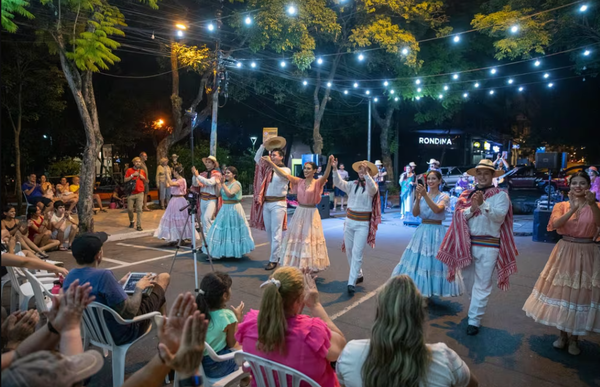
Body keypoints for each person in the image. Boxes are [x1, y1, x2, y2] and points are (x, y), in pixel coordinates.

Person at [336, 275, 478, 387]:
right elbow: (472, 384)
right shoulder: (444, 359)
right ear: (419, 316)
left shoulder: (350, 354)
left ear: (380, 314)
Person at [437, 159, 518, 336]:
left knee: (482, 284)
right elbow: (458, 217)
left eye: (486, 173)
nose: (482, 176)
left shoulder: (501, 195)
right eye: (479, 173)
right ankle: (476, 310)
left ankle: (474, 320)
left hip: (489, 245)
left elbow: (498, 218)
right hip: (466, 244)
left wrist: (482, 204)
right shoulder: (466, 194)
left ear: (492, 176)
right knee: (469, 281)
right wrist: (473, 208)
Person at [523, 172, 600, 356]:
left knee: (580, 295)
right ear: (569, 185)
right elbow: (556, 225)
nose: (578, 186)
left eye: (582, 183)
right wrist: (573, 209)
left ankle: (575, 339)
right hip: (565, 250)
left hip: (588, 251)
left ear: (589, 186)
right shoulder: (561, 205)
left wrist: (590, 204)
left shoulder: (596, 206)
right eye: (574, 183)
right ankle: (562, 335)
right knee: (563, 293)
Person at [236, 267, 346, 387]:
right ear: (299, 299)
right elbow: (340, 350)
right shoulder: (312, 333)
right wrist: (315, 305)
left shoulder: (251, 324)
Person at [62, 232, 171, 345]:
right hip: (123, 333)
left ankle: (165, 328)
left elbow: (98, 295)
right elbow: (130, 313)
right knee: (163, 278)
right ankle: (165, 332)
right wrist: (138, 288)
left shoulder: (70, 276)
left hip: (94, 330)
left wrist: (118, 284)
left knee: (156, 293)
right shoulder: (104, 276)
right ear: (98, 255)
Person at [392, 171, 464, 301]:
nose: (430, 181)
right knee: (420, 262)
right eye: (429, 179)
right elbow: (415, 214)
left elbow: (437, 209)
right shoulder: (423, 195)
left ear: (439, 181)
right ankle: (420, 292)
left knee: (434, 263)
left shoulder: (444, 196)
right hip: (422, 229)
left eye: (434, 179)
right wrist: (419, 198)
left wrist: (425, 196)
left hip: (437, 231)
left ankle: (430, 291)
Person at [262, 156, 333, 272]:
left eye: (309, 168)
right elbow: (284, 175)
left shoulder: (317, 183)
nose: (306, 170)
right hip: (300, 212)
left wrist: (329, 164)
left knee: (309, 239)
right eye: (305, 168)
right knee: (297, 238)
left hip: (311, 213)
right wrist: (271, 163)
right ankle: (297, 264)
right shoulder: (299, 181)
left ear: (314, 171)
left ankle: (309, 265)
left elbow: (326, 175)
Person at [332, 158, 380, 294]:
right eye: (360, 168)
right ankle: (358, 274)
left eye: (364, 168)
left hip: (362, 224)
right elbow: (338, 182)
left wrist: (367, 175)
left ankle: (351, 282)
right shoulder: (352, 184)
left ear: (369, 172)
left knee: (357, 252)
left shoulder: (371, 185)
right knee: (349, 250)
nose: (361, 170)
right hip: (349, 221)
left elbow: (373, 189)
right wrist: (335, 169)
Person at [250, 137, 290, 271]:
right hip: (267, 203)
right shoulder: (268, 169)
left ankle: (273, 259)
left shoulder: (286, 170)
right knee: (269, 232)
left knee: (276, 232)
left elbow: (283, 176)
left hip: (278, 203)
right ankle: (276, 255)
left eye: (274, 155)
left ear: (281, 158)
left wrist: (271, 164)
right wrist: (263, 145)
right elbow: (256, 159)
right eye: (271, 155)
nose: (271, 157)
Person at [195, 272, 244, 379]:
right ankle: (245, 379)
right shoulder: (227, 317)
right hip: (216, 366)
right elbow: (232, 343)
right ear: (225, 295)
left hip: (195, 365)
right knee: (248, 352)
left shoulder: (193, 311)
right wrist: (238, 319)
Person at [206, 166, 255, 259]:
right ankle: (220, 252)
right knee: (221, 229)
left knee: (233, 229)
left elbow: (230, 194)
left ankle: (234, 251)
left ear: (234, 175)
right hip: (225, 208)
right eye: (225, 173)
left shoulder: (237, 184)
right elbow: (217, 194)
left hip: (234, 208)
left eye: (228, 173)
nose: (226, 174)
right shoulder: (226, 184)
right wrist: (217, 185)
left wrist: (222, 184)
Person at [154, 166, 199, 244]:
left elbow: (171, 183)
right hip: (173, 200)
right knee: (172, 218)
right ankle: (174, 237)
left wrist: (167, 174)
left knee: (180, 219)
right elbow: (167, 185)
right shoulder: (174, 179)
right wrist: (164, 177)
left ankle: (181, 238)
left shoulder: (182, 180)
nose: (173, 173)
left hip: (180, 200)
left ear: (177, 172)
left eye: (174, 171)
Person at [192, 156, 223, 246]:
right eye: (206, 162)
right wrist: (194, 175)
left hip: (211, 199)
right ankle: (205, 244)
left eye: (209, 162)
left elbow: (209, 182)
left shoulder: (217, 174)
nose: (207, 164)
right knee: (203, 220)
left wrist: (197, 176)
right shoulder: (203, 174)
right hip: (203, 199)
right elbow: (195, 184)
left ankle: (209, 244)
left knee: (206, 219)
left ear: (213, 164)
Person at [125, 157, 147, 231]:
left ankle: (139, 225)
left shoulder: (142, 171)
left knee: (139, 209)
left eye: (139, 162)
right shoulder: (129, 170)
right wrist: (132, 175)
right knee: (130, 209)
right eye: (136, 162)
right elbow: (125, 180)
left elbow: (146, 181)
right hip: (131, 193)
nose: (138, 163)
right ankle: (132, 221)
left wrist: (143, 178)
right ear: (133, 163)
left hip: (140, 192)